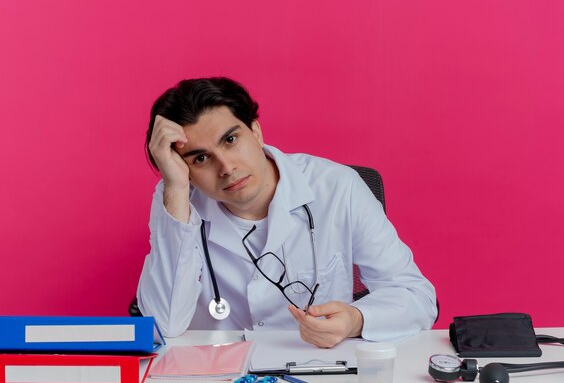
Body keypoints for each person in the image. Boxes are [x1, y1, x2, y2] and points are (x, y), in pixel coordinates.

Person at [136, 77, 437, 348]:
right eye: (200, 158)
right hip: (221, 377)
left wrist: (356, 320)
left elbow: (417, 297)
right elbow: (163, 326)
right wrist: (174, 188)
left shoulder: (337, 188)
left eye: (230, 140)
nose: (226, 168)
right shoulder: (178, 201)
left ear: (255, 131)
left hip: (317, 368)